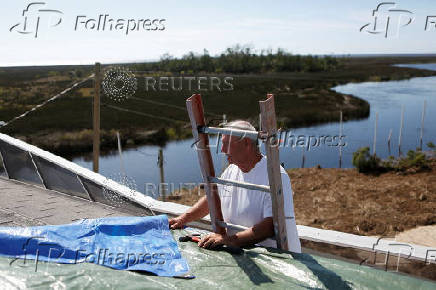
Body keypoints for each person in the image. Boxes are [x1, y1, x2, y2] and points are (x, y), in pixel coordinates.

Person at [169, 120, 301, 253]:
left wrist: (228, 240)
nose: (222, 150)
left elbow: (270, 226)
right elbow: (213, 200)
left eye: (226, 144)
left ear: (246, 143)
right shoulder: (232, 170)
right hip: (244, 253)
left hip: (278, 260)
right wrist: (183, 219)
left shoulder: (275, 176)